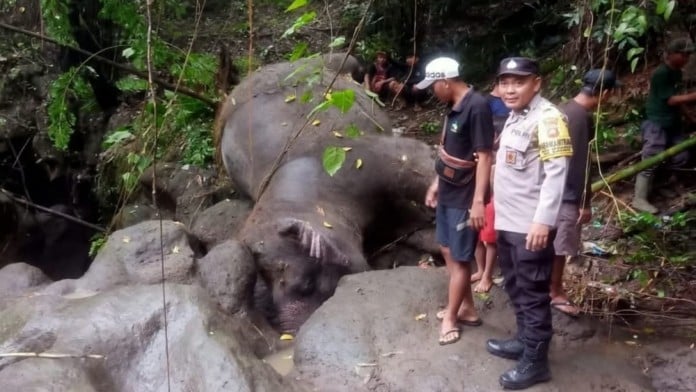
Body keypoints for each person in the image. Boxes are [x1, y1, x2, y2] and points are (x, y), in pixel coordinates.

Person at [487, 57, 572, 390]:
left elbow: (556, 174)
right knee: (515, 285)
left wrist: (543, 222)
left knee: (534, 293)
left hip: (530, 227)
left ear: (536, 83)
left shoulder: (549, 119)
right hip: (509, 222)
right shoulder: (515, 116)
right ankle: (524, 341)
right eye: (505, 82)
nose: (510, 89)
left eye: (518, 82)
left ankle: (536, 363)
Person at [418, 57, 494, 346]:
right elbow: (451, 151)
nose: (431, 92)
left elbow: (484, 157)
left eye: (432, 86)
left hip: (465, 196)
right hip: (450, 190)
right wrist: (437, 184)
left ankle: (451, 317)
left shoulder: (477, 107)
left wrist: (478, 202)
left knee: (461, 259)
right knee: (447, 250)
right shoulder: (454, 107)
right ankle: (467, 308)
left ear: (445, 82)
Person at [551, 69, 620, 317]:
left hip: (550, 188)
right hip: (566, 192)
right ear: (605, 93)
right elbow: (580, 162)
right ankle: (555, 293)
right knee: (562, 245)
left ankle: (548, 287)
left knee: (551, 243)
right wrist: (584, 201)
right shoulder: (581, 117)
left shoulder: (563, 108)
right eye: (611, 94)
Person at [632, 37, 696, 213]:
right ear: (673, 54)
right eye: (684, 54)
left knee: (681, 155)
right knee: (652, 157)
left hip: (672, 122)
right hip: (656, 121)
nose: (687, 58)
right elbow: (670, 99)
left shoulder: (677, 73)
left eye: (689, 55)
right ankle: (639, 198)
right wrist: (693, 96)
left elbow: (678, 100)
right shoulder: (661, 73)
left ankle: (663, 185)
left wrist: (689, 117)